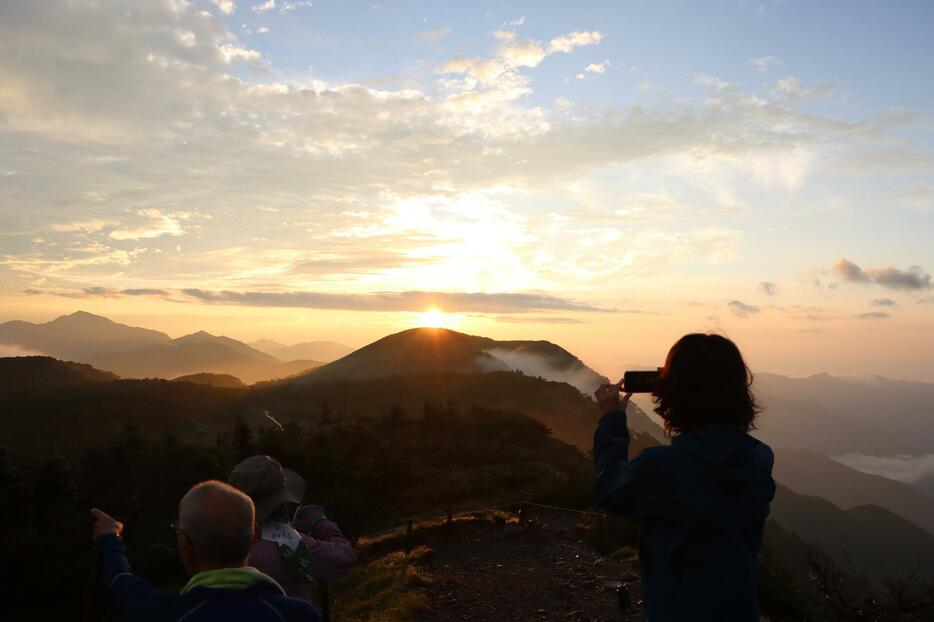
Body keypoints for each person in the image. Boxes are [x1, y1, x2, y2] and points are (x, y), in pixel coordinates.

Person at [593, 333, 775, 621]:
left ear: (675, 393)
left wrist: (611, 420)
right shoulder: (758, 459)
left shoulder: (665, 467)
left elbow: (610, 487)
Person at [91, 480, 322, 622]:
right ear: (254, 536)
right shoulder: (300, 616)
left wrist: (111, 536)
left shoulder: (161, 613)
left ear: (186, 545)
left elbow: (118, 581)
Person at [228, 455, 355, 601]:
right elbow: (344, 556)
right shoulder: (291, 547)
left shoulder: (224, 544)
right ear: (281, 499)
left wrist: (295, 528)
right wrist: (319, 521)